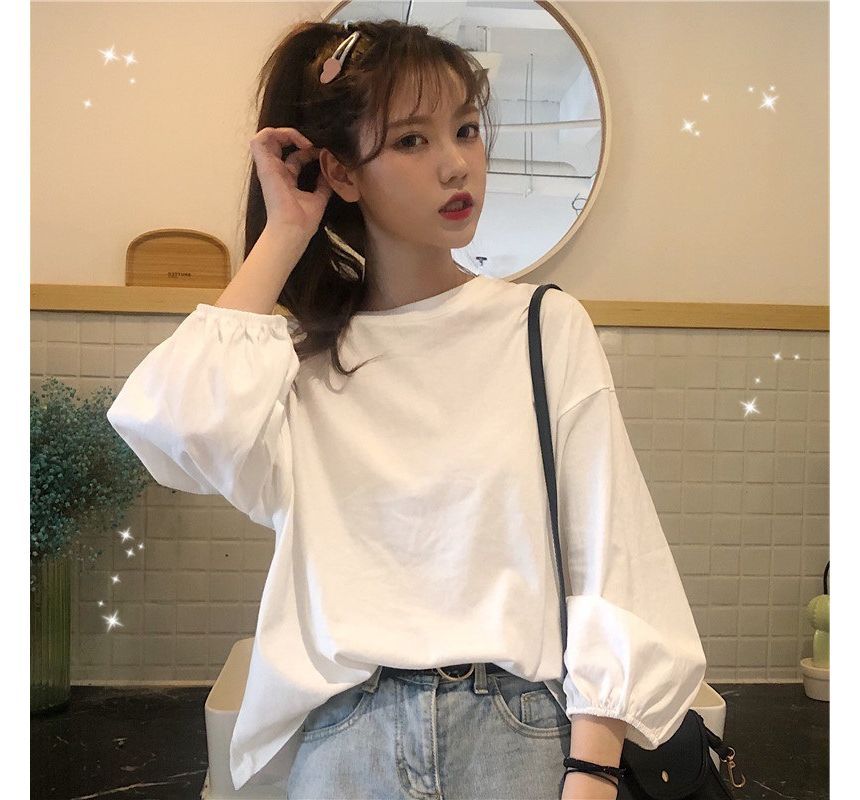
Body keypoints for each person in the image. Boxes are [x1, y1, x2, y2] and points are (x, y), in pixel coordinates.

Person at [105, 18, 707, 800]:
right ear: (341, 172)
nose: (457, 163)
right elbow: (175, 432)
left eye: (466, 130)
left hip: (518, 736)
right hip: (346, 742)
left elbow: (612, 557)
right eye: (412, 141)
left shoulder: (543, 327)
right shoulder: (300, 364)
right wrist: (285, 231)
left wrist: (591, 773)